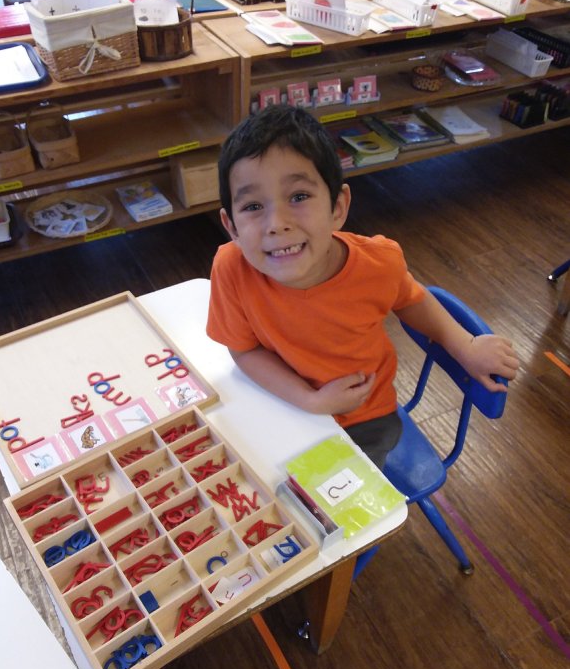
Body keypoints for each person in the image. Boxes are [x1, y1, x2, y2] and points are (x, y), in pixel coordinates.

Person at [206, 104, 519, 468]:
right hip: (283, 401)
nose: (276, 223)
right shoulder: (231, 268)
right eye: (253, 206)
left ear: (338, 207)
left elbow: (413, 300)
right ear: (231, 227)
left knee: (329, 497)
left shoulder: (378, 263)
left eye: (299, 197)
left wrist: (464, 345)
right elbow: (244, 351)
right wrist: (309, 400)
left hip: (363, 416)